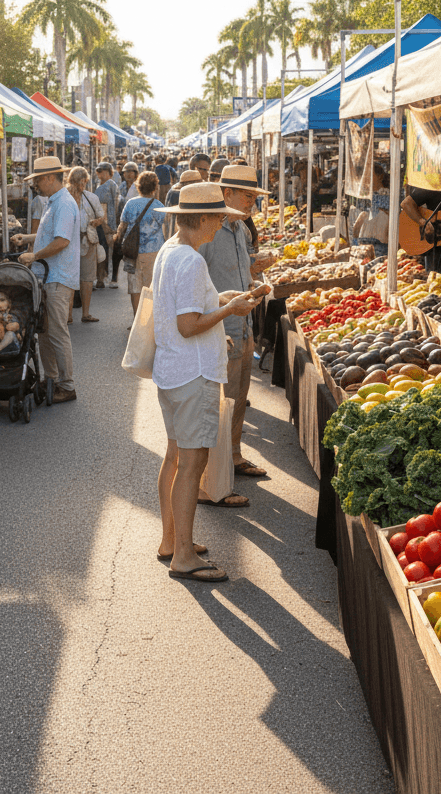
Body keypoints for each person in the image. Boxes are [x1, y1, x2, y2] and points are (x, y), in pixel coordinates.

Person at [152, 182, 263, 582]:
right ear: (202, 218)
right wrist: (229, 309)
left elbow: (188, 308)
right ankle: (182, 554)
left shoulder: (172, 250)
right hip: (192, 371)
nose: (222, 224)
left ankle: (172, 541)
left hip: (173, 370)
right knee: (191, 463)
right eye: (218, 217)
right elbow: (188, 325)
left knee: (176, 458)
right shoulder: (192, 261)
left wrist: (225, 300)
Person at [199, 165, 278, 499]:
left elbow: (242, 268)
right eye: (248, 196)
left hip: (243, 325)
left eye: (254, 197)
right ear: (226, 193)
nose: (252, 204)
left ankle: (233, 456)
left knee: (238, 400)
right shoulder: (209, 232)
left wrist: (255, 276)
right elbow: (197, 282)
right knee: (220, 405)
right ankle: (213, 482)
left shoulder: (241, 231)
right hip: (221, 327)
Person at [10, 156, 79, 403]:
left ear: (50, 177)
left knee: (57, 333)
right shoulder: (54, 201)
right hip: (50, 275)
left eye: (38, 179)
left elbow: (62, 241)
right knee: (47, 332)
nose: (36, 184)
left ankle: (67, 385)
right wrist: (28, 239)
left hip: (57, 277)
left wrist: (34, 255)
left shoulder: (63, 204)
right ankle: (52, 378)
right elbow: (51, 235)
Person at [117, 171, 165, 316]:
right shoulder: (159, 206)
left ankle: (137, 321)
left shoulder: (130, 203)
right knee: (151, 287)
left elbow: (122, 227)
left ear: (138, 186)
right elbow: (165, 229)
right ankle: (149, 321)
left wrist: (118, 239)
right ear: (155, 187)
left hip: (133, 251)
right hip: (154, 251)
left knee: (135, 287)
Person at [67, 166, 105, 324]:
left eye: (84, 182)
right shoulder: (64, 197)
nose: (81, 185)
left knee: (87, 278)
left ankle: (86, 313)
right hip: (67, 242)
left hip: (87, 240)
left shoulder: (91, 198)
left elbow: (101, 217)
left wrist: (96, 222)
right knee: (68, 279)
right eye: (79, 182)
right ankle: (68, 315)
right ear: (73, 181)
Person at [352, 164, 392, 257]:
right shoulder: (367, 197)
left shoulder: (388, 195)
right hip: (364, 242)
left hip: (381, 244)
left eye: (370, 175)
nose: (367, 179)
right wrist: (355, 243)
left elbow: (391, 217)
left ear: (380, 176)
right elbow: (358, 224)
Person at [94, 161, 120, 289]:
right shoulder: (104, 185)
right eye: (99, 170)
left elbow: (110, 208)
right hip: (104, 224)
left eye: (102, 171)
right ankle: (103, 278)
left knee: (106, 253)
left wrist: (108, 225)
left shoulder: (109, 185)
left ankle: (104, 278)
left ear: (108, 172)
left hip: (106, 224)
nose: (99, 173)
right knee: (104, 252)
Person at [163, 169, 201, 240]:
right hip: (183, 236)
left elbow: (167, 218)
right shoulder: (189, 194)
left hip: (170, 234)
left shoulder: (172, 192)